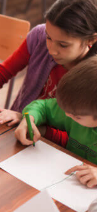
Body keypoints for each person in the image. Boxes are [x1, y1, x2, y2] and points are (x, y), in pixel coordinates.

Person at [0, 0, 97, 148]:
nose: (52, 50)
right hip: (17, 132)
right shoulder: (38, 37)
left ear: (91, 40)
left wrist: (24, 118)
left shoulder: (91, 77)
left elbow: (78, 138)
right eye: (49, 37)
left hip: (55, 148)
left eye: (63, 45)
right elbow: (1, 73)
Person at [15, 56, 97, 187]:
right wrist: (28, 119)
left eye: (77, 116)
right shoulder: (77, 109)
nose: (66, 115)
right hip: (66, 179)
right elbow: (43, 107)